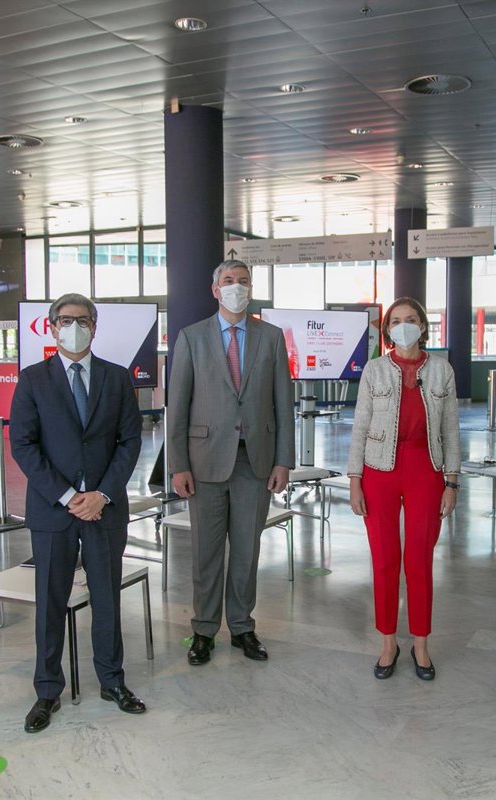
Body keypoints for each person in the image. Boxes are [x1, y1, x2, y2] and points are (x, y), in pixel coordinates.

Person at [10, 293, 145, 733]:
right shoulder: (33, 379)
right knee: (51, 602)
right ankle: (48, 690)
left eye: (83, 320)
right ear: (51, 328)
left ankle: (112, 680)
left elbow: (130, 442)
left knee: (107, 598)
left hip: (104, 509)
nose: (75, 328)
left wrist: (102, 494)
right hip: (54, 511)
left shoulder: (117, 378)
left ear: (95, 327)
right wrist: (68, 495)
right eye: (66, 320)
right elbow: (23, 446)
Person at [168, 259, 295, 665]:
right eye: (228, 280)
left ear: (250, 288)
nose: (236, 286)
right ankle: (204, 630)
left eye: (243, 281)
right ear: (215, 289)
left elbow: (283, 403)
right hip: (203, 463)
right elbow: (178, 406)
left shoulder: (271, 338)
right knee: (206, 553)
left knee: (246, 551)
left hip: (255, 463)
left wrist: (284, 460)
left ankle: (242, 626)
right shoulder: (191, 338)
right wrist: (178, 465)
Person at [348, 298, 460, 680]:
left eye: (410, 319)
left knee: (419, 560)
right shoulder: (375, 370)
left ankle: (421, 644)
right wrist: (354, 480)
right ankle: (388, 643)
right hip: (378, 469)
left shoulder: (442, 370)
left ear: (423, 326)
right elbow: (360, 426)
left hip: (425, 468)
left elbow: (451, 430)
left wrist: (451, 482)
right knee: (384, 559)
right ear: (387, 330)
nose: (403, 326)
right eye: (395, 321)